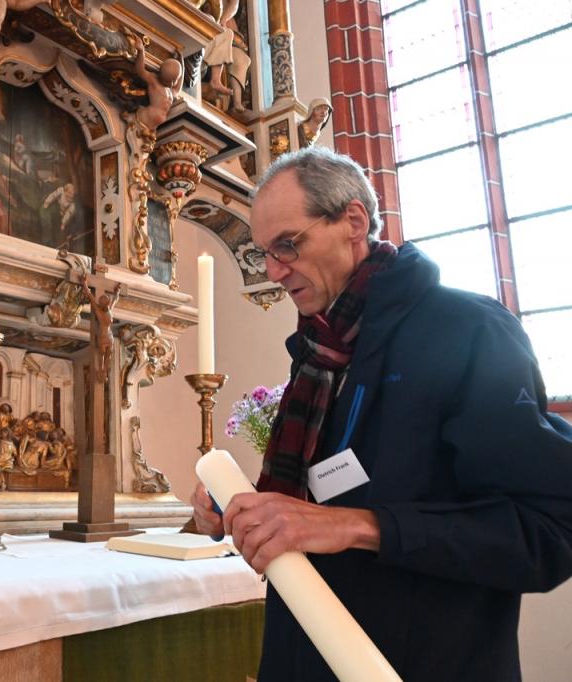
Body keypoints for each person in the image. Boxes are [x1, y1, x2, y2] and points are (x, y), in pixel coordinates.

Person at [190, 146, 572, 681]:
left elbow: (549, 530)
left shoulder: (467, 330)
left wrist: (357, 526)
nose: (274, 271)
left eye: (288, 245)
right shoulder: (318, 352)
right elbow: (319, 501)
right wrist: (237, 508)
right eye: (264, 254)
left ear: (353, 221)